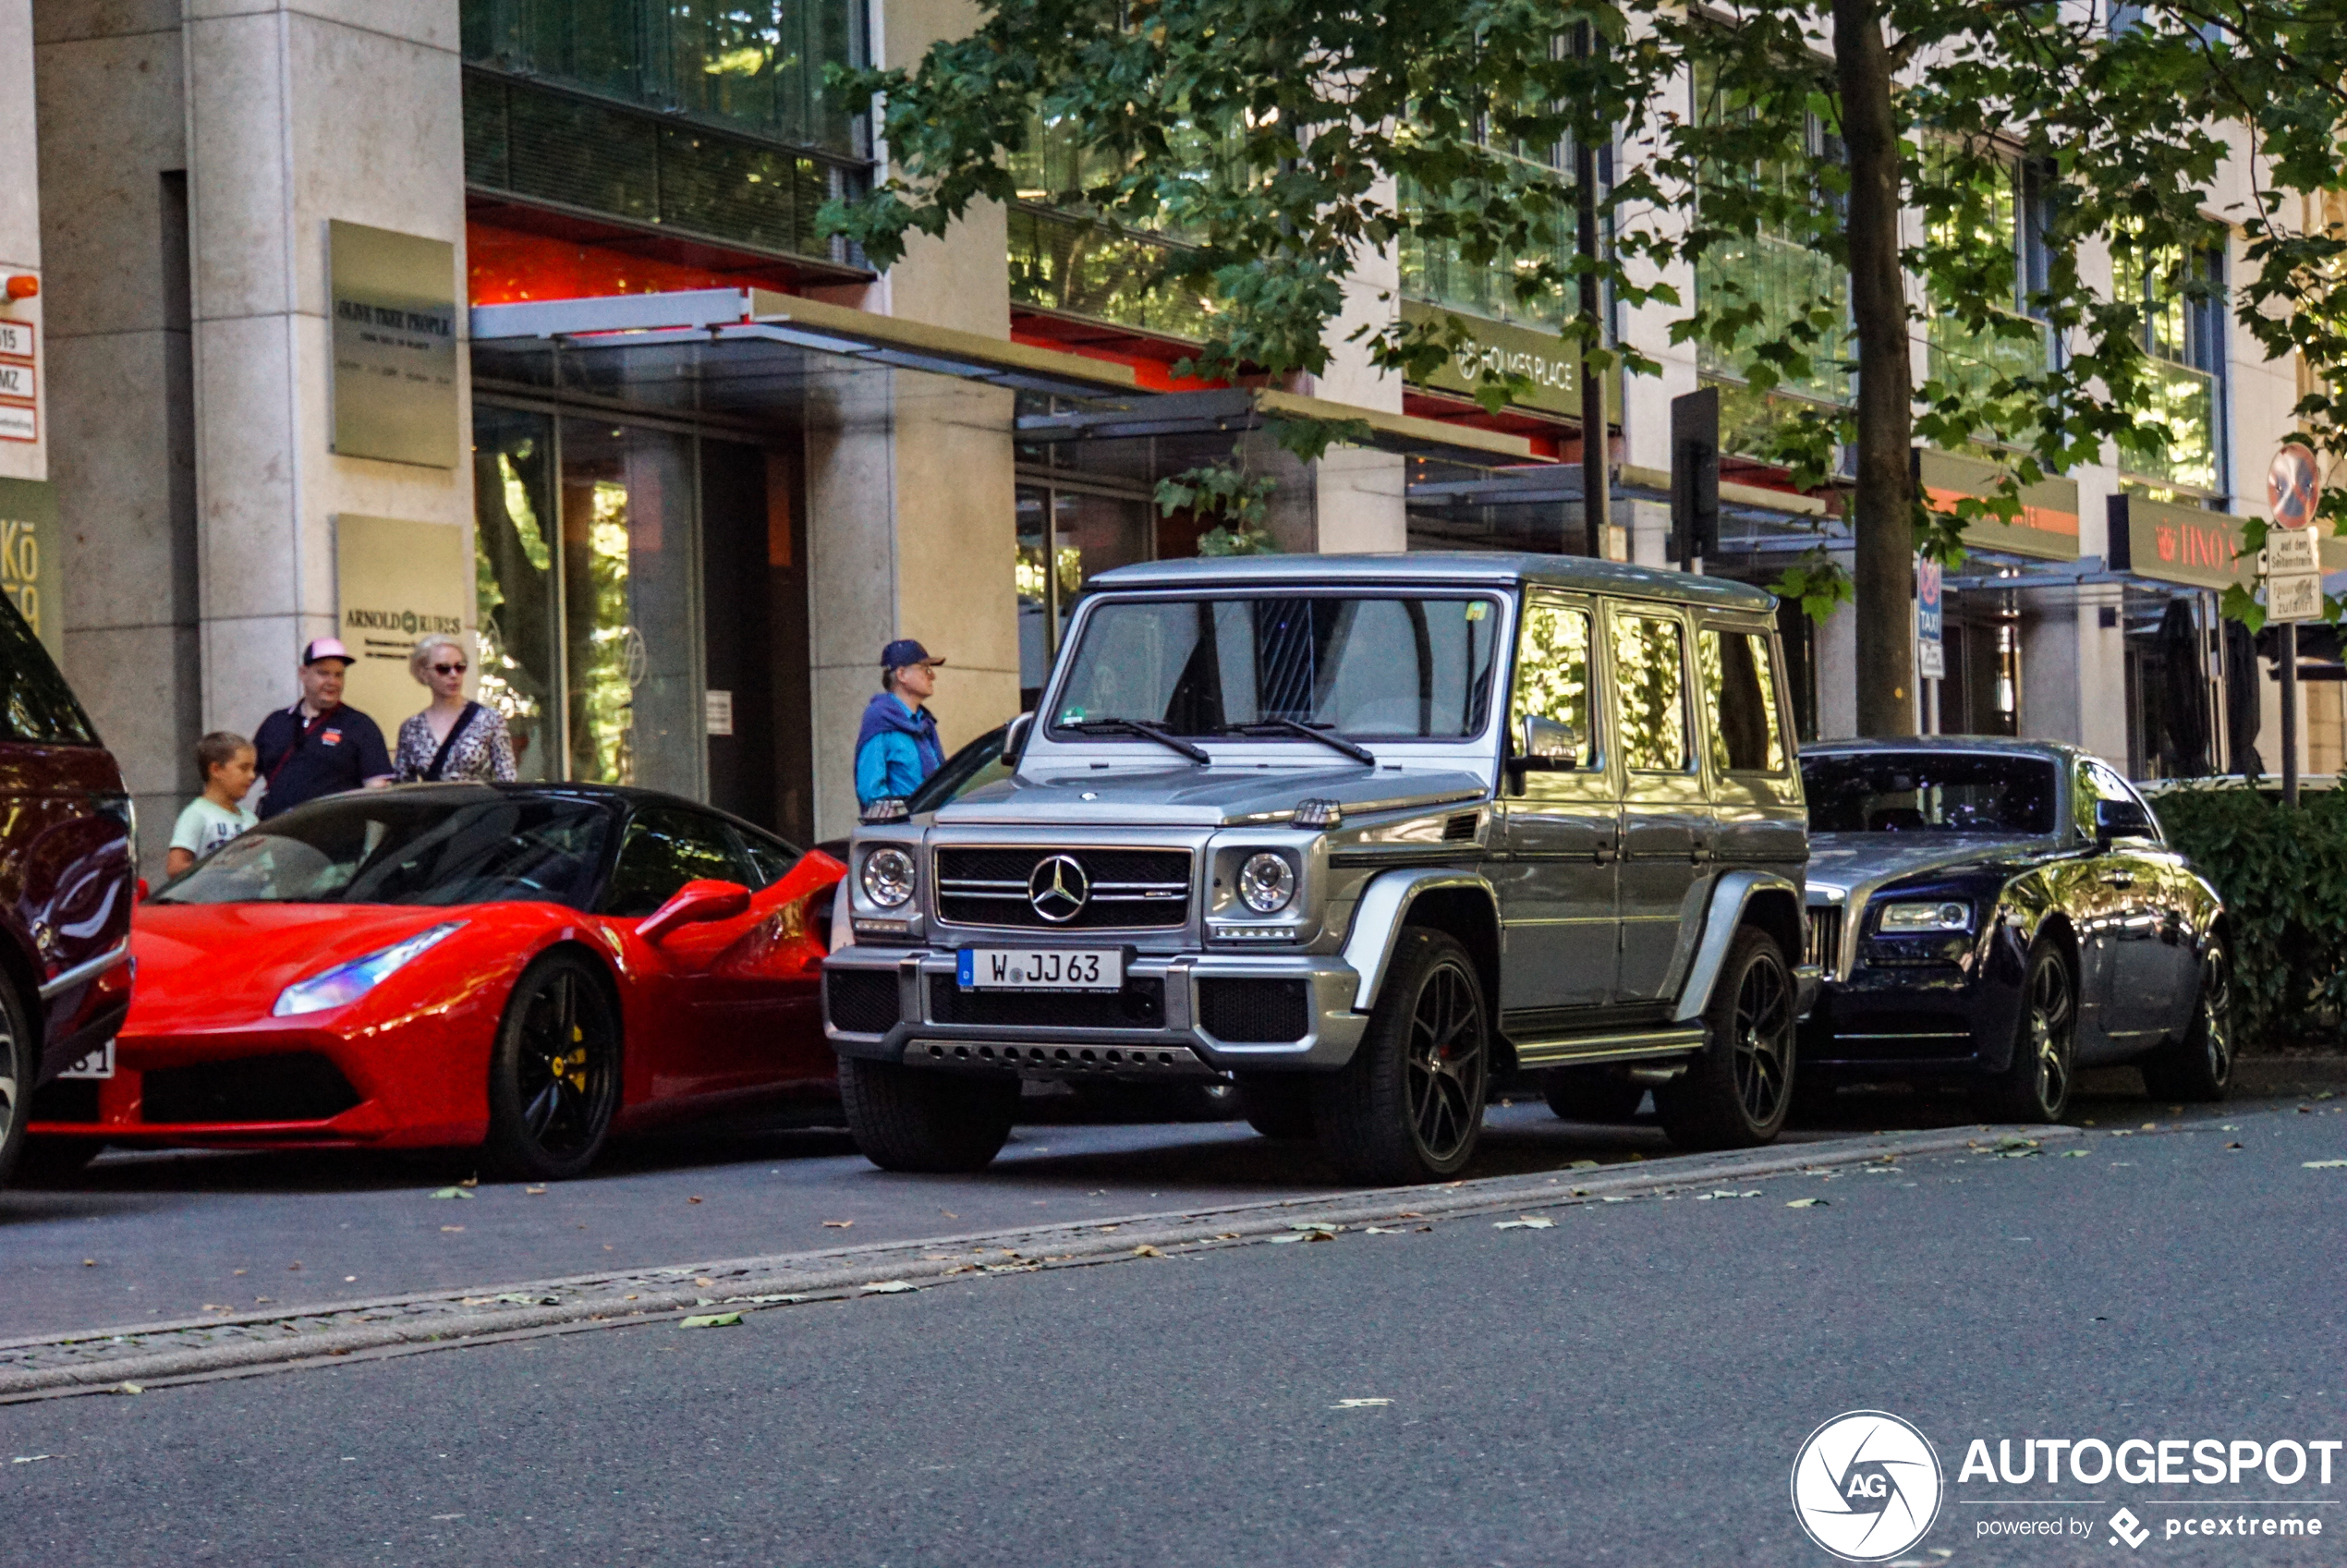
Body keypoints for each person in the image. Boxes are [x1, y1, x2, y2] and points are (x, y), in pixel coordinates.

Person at [251, 638, 394, 820]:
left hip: (331, 842)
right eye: (323, 673)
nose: (332, 682)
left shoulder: (360, 725)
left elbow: (377, 791)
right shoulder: (275, 722)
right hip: (278, 840)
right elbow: (242, 776)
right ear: (303, 673)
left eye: (338, 675)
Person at [395, 633, 516, 784]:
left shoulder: (490, 720)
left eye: (460, 667)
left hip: (479, 805)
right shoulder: (412, 728)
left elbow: (508, 779)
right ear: (424, 674)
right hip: (434, 805)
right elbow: (402, 786)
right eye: (443, 668)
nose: (454, 675)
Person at [855, 638, 947, 807]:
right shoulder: (880, 720)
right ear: (902, 674)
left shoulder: (924, 723)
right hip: (903, 829)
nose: (932, 676)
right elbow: (871, 793)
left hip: (931, 824)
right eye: (925, 669)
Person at [165, 731, 259, 877]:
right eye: (244, 768)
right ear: (216, 770)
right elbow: (175, 868)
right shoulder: (197, 814)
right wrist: (220, 868)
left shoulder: (251, 820)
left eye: (253, 769)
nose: (252, 776)